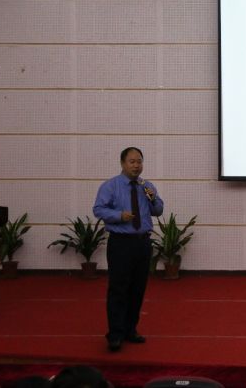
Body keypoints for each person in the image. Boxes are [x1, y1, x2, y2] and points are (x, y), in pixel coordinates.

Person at [93, 147, 164, 352]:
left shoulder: (146, 186)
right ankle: (115, 334)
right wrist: (118, 216)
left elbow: (158, 210)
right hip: (121, 243)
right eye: (132, 161)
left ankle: (130, 330)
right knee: (119, 289)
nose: (136, 165)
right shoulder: (111, 186)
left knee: (138, 289)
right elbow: (98, 209)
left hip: (143, 243)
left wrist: (153, 198)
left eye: (139, 161)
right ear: (123, 163)